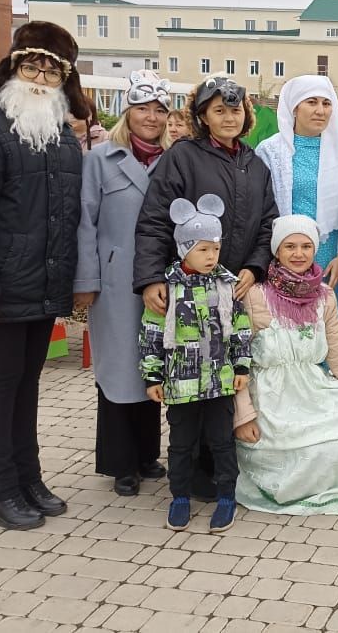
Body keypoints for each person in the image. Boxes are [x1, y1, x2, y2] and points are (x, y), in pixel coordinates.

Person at [0, 21, 88, 530]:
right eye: (32, 64)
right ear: (13, 66)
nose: (41, 76)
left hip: (42, 285)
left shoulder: (59, 133)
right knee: (1, 386)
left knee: (28, 384)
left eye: (52, 68)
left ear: (64, 78)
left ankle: (29, 478)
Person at [134, 76, 277, 501]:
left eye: (234, 110)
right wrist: (150, 278)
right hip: (186, 292)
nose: (229, 117)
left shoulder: (255, 164)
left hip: (230, 291)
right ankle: (190, 474)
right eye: (219, 110)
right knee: (191, 382)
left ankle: (224, 471)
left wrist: (255, 266)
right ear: (202, 117)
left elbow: (268, 222)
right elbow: (155, 218)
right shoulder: (183, 158)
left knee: (225, 380)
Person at [233, 215, 338, 514]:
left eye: (306, 246)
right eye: (290, 246)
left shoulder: (324, 296)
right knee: (305, 452)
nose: (298, 254)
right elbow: (235, 359)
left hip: (311, 387)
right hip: (269, 395)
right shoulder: (255, 295)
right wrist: (242, 416)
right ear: (277, 251)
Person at [74, 70, 171, 497]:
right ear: (127, 112)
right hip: (114, 282)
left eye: (159, 109)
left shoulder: (173, 160)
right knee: (118, 368)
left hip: (162, 282)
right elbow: (84, 224)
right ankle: (120, 463)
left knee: (152, 363)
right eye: (143, 108)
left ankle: (149, 454)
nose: (151, 117)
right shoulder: (100, 159)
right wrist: (86, 281)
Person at [139, 195, 253, 533]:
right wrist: (152, 375)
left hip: (219, 380)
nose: (211, 256)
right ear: (183, 248)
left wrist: (242, 367)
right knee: (181, 442)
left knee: (221, 441)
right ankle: (180, 496)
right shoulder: (168, 288)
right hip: (180, 383)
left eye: (215, 249)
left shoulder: (227, 284)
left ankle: (227, 496)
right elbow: (151, 334)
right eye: (202, 249)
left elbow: (241, 330)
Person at [255, 76, 338, 332]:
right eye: (311, 102)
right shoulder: (271, 151)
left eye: (326, 103)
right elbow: (261, 211)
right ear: (294, 107)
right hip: (284, 255)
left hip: (329, 255)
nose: (320, 110)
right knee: (287, 329)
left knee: (329, 327)